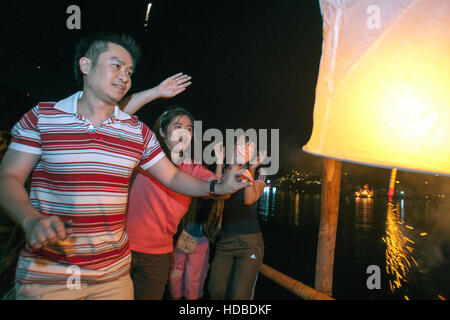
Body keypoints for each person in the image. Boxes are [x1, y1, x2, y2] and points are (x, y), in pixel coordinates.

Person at [0, 32, 252, 300]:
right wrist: (30, 218)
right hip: (50, 275)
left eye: (130, 71)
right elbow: (8, 177)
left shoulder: (137, 133)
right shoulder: (43, 117)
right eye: (116, 65)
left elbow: (173, 178)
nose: (125, 76)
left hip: (114, 277)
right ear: (86, 65)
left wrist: (220, 184)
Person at [126, 107, 228, 300]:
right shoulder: (142, 157)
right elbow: (115, 117)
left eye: (189, 128)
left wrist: (232, 174)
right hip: (122, 249)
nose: (184, 132)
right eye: (178, 126)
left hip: (158, 255)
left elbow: (218, 189)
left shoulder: (193, 168)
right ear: (162, 131)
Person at [208, 138, 267, 300]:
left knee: (240, 296)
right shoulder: (228, 170)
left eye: (247, 146)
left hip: (250, 244)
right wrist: (220, 162)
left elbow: (249, 199)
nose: (243, 149)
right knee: (215, 290)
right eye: (239, 146)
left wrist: (252, 168)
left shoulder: (262, 173)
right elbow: (219, 194)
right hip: (225, 240)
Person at [169, 142, 225, 300]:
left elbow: (217, 187)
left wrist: (219, 161)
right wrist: (219, 162)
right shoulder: (197, 178)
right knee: (192, 278)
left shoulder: (184, 175)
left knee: (178, 274)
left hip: (185, 234)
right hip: (194, 236)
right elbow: (217, 188)